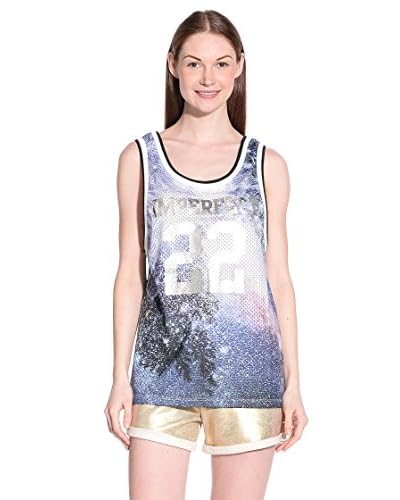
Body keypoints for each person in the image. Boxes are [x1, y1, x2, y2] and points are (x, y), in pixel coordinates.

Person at [105, 9, 308, 500]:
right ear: (173, 65)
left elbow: (278, 279)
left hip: (249, 378)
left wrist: (294, 383)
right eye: (194, 63)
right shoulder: (140, 159)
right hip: (160, 373)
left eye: (221, 64)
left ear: (239, 67)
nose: (208, 78)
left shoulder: (266, 165)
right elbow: (131, 274)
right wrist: (119, 378)